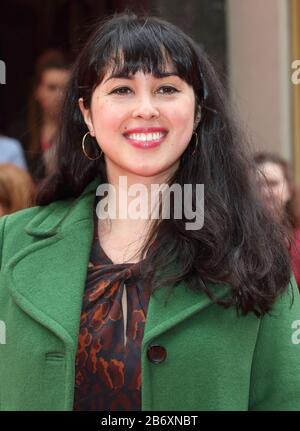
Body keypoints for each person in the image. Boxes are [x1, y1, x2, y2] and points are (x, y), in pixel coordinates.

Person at [0, 13, 299, 411]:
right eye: (122, 89)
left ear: (197, 111)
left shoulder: (255, 252)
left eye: (167, 89)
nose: (145, 109)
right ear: (87, 112)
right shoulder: (11, 242)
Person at [13, 50, 71, 181]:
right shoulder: (19, 134)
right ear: (37, 91)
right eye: (52, 88)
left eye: (65, 89)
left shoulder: (80, 133)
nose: (59, 96)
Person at [254, 152, 300, 287]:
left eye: (273, 183)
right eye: (257, 185)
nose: (265, 192)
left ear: (289, 190)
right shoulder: (237, 240)